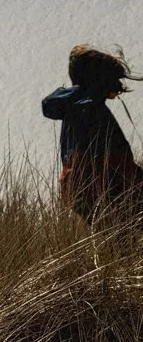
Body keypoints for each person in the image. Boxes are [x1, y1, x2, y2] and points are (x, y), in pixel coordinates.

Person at [42, 44, 143, 224]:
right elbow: (113, 160)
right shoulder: (90, 107)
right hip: (104, 181)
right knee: (123, 236)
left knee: (110, 237)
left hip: (75, 184)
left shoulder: (73, 104)